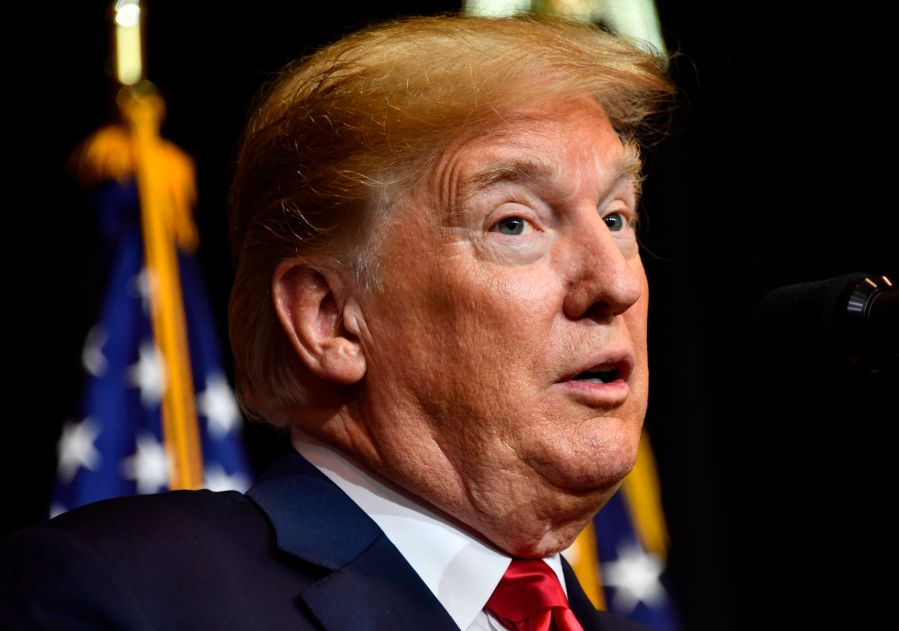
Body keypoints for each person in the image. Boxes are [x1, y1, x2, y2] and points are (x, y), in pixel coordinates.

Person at [1, 14, 672, 631]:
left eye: (616, 217)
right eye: (514, 223)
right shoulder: (140, 594)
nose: (614, 281)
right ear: (330, 320)